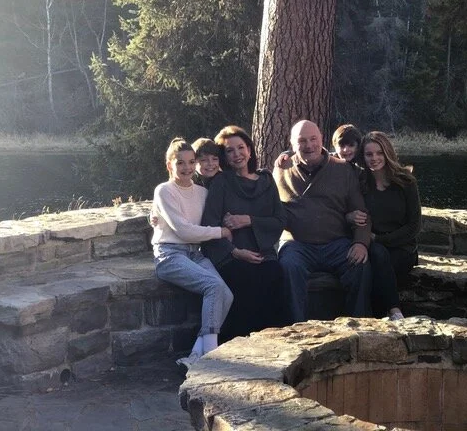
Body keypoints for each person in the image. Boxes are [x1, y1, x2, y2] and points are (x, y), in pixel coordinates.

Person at [273, 120, 373, 324]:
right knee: (288, 266)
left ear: (321, 139)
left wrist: (361, 243)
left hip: (336, 243)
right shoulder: (281, 170)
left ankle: (359, 326)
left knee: (360, 265)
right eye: (302, 141)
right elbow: (269, 209)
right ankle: (295, 328)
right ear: (292, 144)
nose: (309, 145)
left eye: (313, 139)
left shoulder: (342, 169)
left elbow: (361, 213)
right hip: (297, 244)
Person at [151, 138, 234, 369]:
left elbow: (213, 216)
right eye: (180, 163)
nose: (187, 167)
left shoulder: (202, 192)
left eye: (190, 162)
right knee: (213, 286)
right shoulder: (164, 190)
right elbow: (183, 230)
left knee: (226, 294)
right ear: (169, 165)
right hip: (169, 254)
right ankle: (212, 357)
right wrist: (220, 232)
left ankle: (197, 355)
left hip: (194, 254)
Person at [201, 126, 286, 341]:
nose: (237, 154)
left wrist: (248, 220)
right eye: (229, 151)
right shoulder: (221, 182)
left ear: (249, 149)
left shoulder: (266, 181)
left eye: (241, 148)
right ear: (224, 156)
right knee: (244, 279)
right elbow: (209, 224)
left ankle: (272, 343)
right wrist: (235, 252)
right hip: (231, 255)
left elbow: (279, 221)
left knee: (274, 274)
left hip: (262, 253)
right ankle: (238, 345)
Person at [354, 131, 422, 291]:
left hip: (402, 247)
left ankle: (385, 305)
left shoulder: (406, 182)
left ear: (387, 153)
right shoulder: (361, 183)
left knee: (378, 261)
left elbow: (414, 226)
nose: (374, 158)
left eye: (379, 153)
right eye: (369, 154)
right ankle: (390, 306)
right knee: (369, 260)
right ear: (363, 156)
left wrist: (380, 239)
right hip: (374, 246)